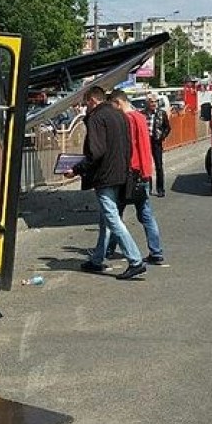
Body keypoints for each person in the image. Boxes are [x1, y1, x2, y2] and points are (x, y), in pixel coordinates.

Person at [64, 85, 146, 280]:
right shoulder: (120, 116)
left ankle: (135, 260)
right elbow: (128, 147)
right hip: (121, 174)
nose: (85, 108)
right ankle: (97, 259)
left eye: (86, 104)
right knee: (106, 219)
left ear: (93, 100)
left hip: (105, 176)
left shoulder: (96, 118)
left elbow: (96, 152)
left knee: (112, 219)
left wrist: (76, 169)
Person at [107, 89, 166, 265]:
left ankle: (108, 249)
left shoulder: (127, 120)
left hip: (131, 173)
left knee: (115, 214)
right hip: (144, 171)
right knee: (146, 214)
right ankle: (156, 251)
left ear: (118, 103)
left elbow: (127, 147)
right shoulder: (140, 117)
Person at [143, 93, 172, 197]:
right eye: (151, 102)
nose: (153, 104)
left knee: (159, 166)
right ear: (147, 103)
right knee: (147, 165)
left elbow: (167, 128)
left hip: (156, 142)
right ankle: (148, 188)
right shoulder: (143, 114)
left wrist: (162, 137)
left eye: (155, 102)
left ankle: (160, 189)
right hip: (146, 142)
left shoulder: (161, 113)